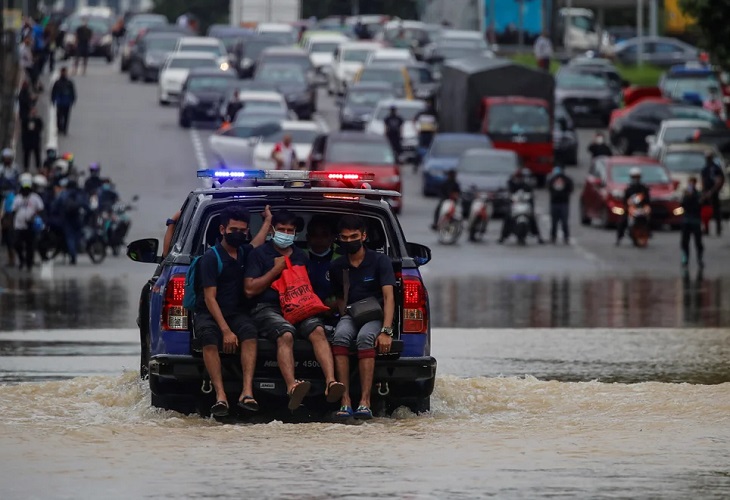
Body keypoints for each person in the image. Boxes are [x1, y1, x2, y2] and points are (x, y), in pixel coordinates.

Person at [244, 210, 345, 411]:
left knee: (317, 330)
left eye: (290, 230)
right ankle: (292, 386)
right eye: (282, 229)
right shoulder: (259, 254)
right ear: (272, 230)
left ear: (296, 233)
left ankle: (331, 382)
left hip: (298, 306)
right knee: (286, 333)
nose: (286, 233)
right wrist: (275, 270)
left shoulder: (301, 256)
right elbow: (249, 290)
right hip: (267, 308)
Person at [193, 206, 271, 417]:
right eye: (233, 229)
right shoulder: (211, 258)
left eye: (243, 230)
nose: (238, 234)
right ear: (222, 229)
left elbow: (258, 242)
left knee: (249, 334)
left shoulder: (244, 251)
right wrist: (226, 331)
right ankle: (220, 396)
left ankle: (247, 392)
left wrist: (267, 222)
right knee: (209, 338)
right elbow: (209, 298)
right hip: (210, 313)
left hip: (236, 313)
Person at [329, 215, 396, 420]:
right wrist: (344, 316)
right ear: (339, 238)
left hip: (376, 316)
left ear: (364, 236)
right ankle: (345, 400)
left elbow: (389, 296)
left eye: (354, 236)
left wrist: (386, 331)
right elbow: (339, 297)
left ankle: (365, 402)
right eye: (345, 237)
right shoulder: (337, 266)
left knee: (365, 338)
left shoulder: (380, 261)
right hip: (351, 315)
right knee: (340, 336)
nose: (350, 241)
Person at [499, 169, 545, 244]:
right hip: (515, 206)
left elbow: (531, 196)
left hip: (525, 205)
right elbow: (508, 195)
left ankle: (538, 237)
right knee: (507, 218)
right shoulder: (511, 184)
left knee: (532, 219)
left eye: (520, 177)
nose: (519, 179)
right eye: (517, 177)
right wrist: (509, 198)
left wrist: (531, 199)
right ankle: (502, 237)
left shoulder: (526, 186)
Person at [304, 215, 340, 306]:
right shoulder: (298, 258)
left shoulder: (342, 259)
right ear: (308, 237)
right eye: (314, 235)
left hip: (334, 311)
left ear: (332, 238)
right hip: (304, 310)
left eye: (324, 235)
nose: (319, 239)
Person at [11, 174, 44, 270]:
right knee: (17, 244)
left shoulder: (35, 197)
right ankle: (21, 260)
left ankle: (29, 264)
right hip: (19, 225)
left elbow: (41, 209)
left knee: (30, 246)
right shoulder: (17, 198)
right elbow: (13, 210)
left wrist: (34, 217)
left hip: (31, 225)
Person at [52, 179, 88, 265]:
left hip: (66, 219)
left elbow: (55, 205)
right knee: (77, 236)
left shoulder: (64, 194)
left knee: (70, 237)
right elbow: (86, 206)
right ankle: (75, 252)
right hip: (77, 218)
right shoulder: (79, 194)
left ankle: (73, 256)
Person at [616, 167, 651, 246]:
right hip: (631, 208)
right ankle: (619, 237)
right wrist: (627, 207)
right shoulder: (629, 189)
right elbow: (625, 200)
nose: (636, 179)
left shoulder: (643, 188)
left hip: (642, 208)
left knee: (651, 218)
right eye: (634, 177)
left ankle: (648, 232)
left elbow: (648, 200)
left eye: (637, 177)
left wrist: (646, 206)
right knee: (622, 221)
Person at [680, 176, 704, 269]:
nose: (691, 185)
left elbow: (700, 205)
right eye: (690, 183)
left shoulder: (698, 194)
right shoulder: (686, 194)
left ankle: (700, 258)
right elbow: (682, 206)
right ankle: (685, 258)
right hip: (686, 221)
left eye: (692, 183)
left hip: (695, 221)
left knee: (698, 242)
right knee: (685, 242)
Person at [1, 149, 19, 267]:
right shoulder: (1, 170)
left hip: (11, 203)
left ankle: (13, 256)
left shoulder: (16, 169)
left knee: (11, 234)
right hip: (2, 199)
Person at [700, 151, 725, 236]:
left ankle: (718, 228)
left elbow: (719, 181)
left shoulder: (716, 168)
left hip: (714, 192)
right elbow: (703, 181)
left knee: (716, 211)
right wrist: (704, 192)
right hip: (707, 192)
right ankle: (706, 229)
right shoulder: (705, 168)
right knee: (705, 211)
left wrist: (712, 191)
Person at [547, 166, 574, 244]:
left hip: (563, 203)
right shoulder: (552, 180)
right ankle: (553, 237)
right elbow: (549, 188)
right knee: (554, 222)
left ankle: (566, 237)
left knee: (564, 222)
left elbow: (570, 189)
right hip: (555, 203)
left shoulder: (566, 180)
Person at [413, 99, 438, 170]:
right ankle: (416, 165)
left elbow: (436, 123)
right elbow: (414, 120)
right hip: (423, 132)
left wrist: (435, 130)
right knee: (420, 149)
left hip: (430, 133)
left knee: (429, 149)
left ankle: (427, 164)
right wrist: (416, 129)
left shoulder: (433, 113)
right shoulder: (421, 113)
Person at [51, 68, 76, 135]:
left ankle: (64, 129)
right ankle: (59, 128)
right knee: (59, 116)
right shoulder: (57, 83)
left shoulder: (69, 83)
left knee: (66, 117)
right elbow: (53, 92)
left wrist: (73, 100)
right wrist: (53, 100)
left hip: (66, 102)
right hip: (60, 102)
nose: (64, 73)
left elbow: (73, 92)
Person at [21, 106, 43, 172]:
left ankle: (38, 167)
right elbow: (23, 129)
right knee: (26, 154)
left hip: (35, 140)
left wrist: (35, 129)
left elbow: (40, 128)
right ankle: (26, 167)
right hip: (27, 140)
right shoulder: (25, 120)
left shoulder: (38, 120)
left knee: (37, 154)